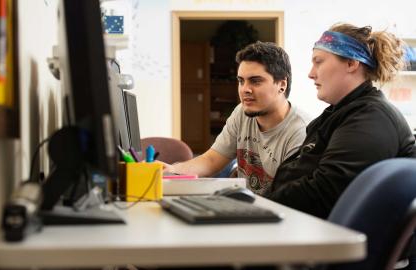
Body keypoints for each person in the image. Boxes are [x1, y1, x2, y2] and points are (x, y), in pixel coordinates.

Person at [264, 23, 416, 218]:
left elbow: (326, 192)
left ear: (352, 63)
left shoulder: (371, 118)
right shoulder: (341, 113)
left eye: (318, 62)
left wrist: (260, 206)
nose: (311, 73)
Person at [164, 41, 310, 195]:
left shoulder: (302, 131)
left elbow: (289, 196)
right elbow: (211, 160)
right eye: (241, 81)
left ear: (282, 85)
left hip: (274, 213)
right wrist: (171, 170)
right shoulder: (242, 112)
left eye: (255, 81)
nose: (245, 89)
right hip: (244, 206)